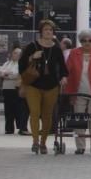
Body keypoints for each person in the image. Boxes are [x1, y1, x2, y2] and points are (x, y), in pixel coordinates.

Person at [19, 19, 69, 154]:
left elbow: (63, 67)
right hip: (34, 85)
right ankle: (35, 141)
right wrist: (32, 57)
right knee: (35, 113)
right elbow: (21, 65)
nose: (48, 32)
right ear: (41, 32)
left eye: (50, 30)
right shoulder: (32, 46)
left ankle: (43, 143)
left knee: (47, 116)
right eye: (46, 29)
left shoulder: (57, 49)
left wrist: (64, 77)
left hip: (51, 85)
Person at [0, 47, 28, 135]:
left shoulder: (21, 64)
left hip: (16, 89)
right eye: (13, 53)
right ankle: (9, 128)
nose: (13, 54)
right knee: (8, 109)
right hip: (6, 89)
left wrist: (6, 75)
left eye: (16, 53)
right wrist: (6, 74)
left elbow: (17, 74)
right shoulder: (7, 63)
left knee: (18, 108)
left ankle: (20, 127)